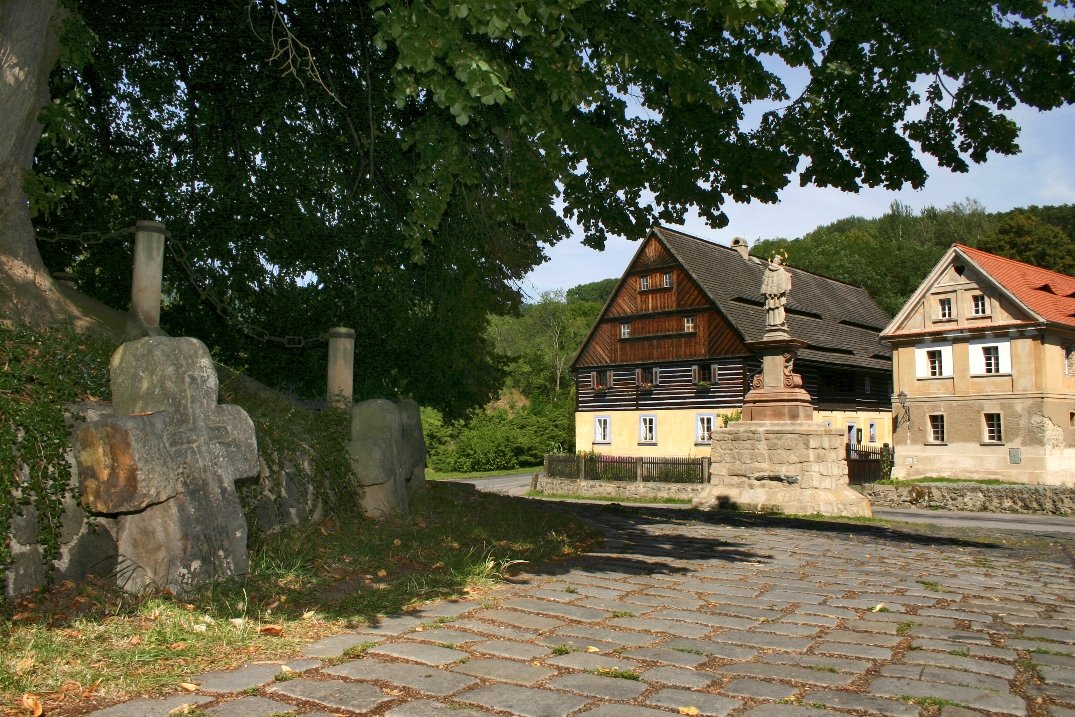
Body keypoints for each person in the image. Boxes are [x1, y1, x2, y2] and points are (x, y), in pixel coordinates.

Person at [761, 254, 791, 329]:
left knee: (771, 308)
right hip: (777, 295)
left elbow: (764, 281)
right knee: (778, 307)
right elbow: (784, 279)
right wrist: (789, 276)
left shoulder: (767, 270)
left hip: (769, 294)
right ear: (778, 261)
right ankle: (779, 322)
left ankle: (771, 323)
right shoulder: (780, 270)